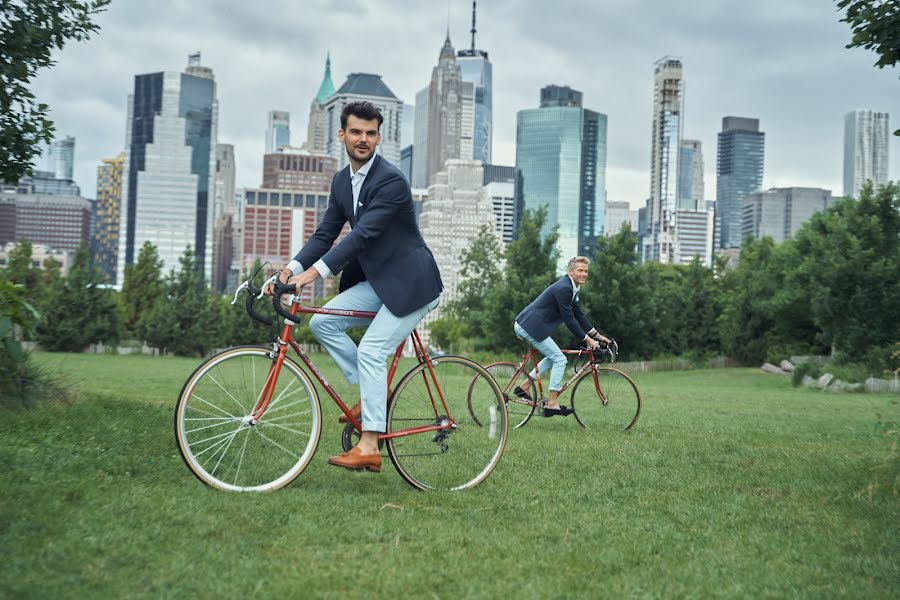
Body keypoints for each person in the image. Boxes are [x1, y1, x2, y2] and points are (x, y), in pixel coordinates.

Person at [267, 100, 442, 472]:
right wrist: (289, 269)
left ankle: (369, 446)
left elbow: (361, 236)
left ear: (379, 137)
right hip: (379, 282)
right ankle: (372, 392)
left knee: (372, 350)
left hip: (411, 283)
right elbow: (326, 234)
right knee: (322, 322)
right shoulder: (341, 181)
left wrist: (312, 276)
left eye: (371, 133)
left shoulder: (391, 181)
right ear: (342, 134)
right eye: (357, 132)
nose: (364, 139)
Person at [513, 256, 610, 417]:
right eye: (580, 270)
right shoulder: (564, 288)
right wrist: (587, 340)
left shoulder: (572, 288)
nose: (584, 274)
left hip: (532, 325)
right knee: (560, 359)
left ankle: (523, 387)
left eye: (586, 271)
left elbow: (579, 315)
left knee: (553, 357)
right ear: (570, 272)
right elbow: (569, 319)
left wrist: (598, 336)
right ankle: (552, 403)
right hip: (530, 325)